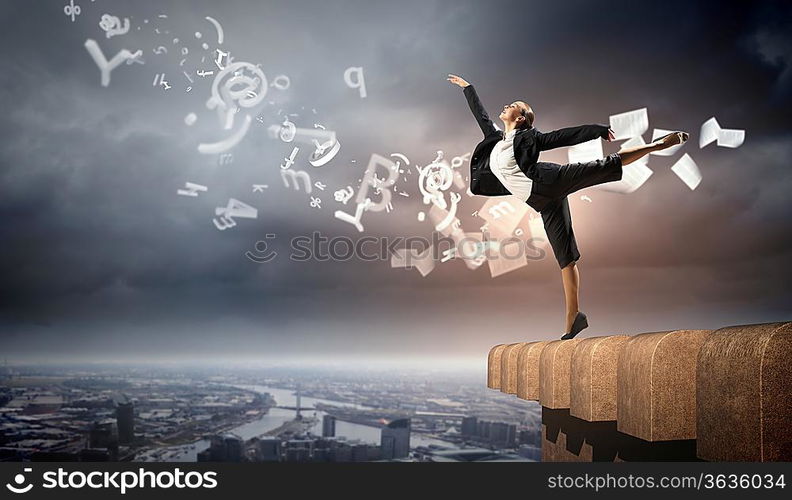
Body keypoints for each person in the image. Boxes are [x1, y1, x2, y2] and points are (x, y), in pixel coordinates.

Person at [447, 74, 688, 339]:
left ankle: (657, 145)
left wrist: (596, 130)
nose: (506, 105)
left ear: (521, 117)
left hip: (549, 180)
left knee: (602, 166)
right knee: (565, 257)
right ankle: (575, 317)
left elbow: (562, 137)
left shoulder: (529, 138)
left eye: (514, 105)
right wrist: (467, 88)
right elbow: (480, 115)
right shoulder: (495, 140)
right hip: (540, 201)